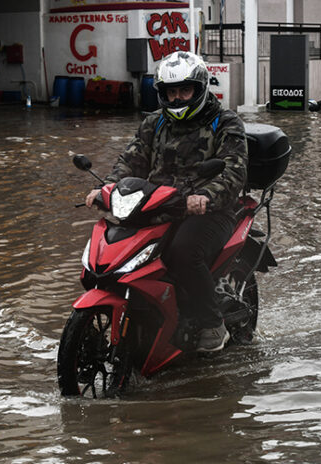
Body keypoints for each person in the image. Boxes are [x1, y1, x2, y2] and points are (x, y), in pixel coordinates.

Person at [85, 51, 248, 352]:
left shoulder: (225, 122)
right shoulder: (154, 123)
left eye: (184, 91)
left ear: (199, 89)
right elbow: (130, 161)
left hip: (209, 208)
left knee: (183, 253)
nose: (176, 99)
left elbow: (234, 171)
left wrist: (205, 197)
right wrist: (106, 187)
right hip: (157, 204)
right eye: (170, 92)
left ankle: (213, 324)